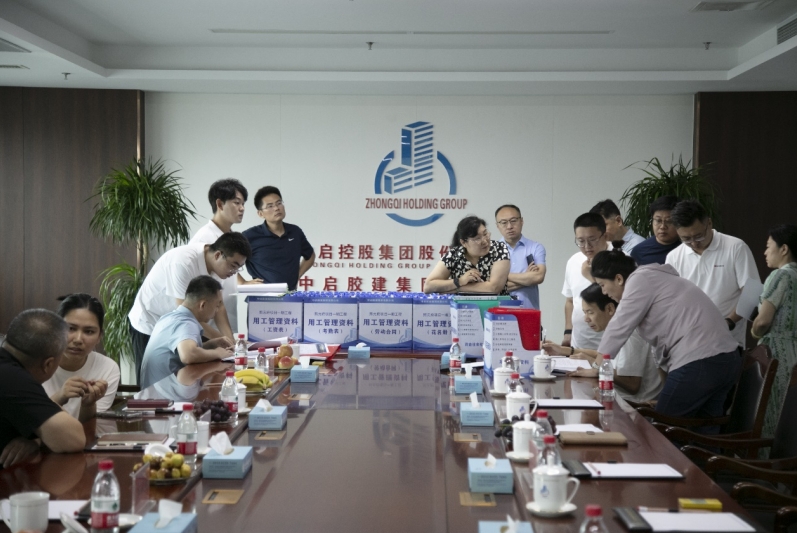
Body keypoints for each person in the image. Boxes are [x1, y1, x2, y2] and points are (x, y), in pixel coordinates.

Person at [592, 250, 740, 432]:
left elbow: (619, 325)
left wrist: (597, 367)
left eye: (602, 285)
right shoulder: (657, 279)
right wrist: (666, 392)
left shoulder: (639, 280)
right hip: (726, 359)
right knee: (703, 433)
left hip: (700, 360)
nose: (604, 292)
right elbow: (660, 346)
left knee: (662, 431)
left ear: (619, 279)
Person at [128, 232, 249, 384]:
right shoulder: (182, 263)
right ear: (218, 255)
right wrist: (219, 351)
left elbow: (219, 307)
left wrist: (230, 343)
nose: (234, 272)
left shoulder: (218, 268)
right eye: (233, 266)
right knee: (159, 379)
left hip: (169, 323)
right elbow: (187, 317)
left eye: (238, 268)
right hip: (148, 322)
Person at [542, 284, 663, 404]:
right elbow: (604, 355)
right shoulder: (614, 328)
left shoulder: (629, 335)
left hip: (631, 405)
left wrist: (596, 368)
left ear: (610, 309)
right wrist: (564, 350)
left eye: (590, 312)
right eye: (584, 312)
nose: (586, 319)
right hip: (614, 396)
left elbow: (632, 385)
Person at [1, 310, 90, 468]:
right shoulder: (14, 378)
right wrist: (41, 437)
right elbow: (74, 439)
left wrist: (35, 439)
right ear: (48, 364)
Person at [666, 200, 759, 347]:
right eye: (686, 239)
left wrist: (728, 322)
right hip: (689, 340)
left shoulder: (735, 247)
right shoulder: (674, 257)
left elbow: (752, 294)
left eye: (699, 236)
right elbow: (672, 299)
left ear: (709, 223)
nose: (694, 243)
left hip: (727, 339)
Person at [190, 179, 261, 330]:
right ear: (220, 204)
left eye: (243, 204)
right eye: (237, 203)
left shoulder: (228, 236)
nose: (242, 208)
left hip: (223, 319)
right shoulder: (205, 240)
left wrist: (242, 282)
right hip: (208, 325)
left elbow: (229, 265)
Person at [140, 276, 234, 389]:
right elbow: (188, 355)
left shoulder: (169, 317)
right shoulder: (186, 323)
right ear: (203, 305)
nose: (217, 310)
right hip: (162, 395)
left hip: (155, 389)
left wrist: (211, 344)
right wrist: (218, 353)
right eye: (217, 305)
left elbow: (179, 352)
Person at [752, 225, 797, 438]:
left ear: (784, 249)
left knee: (769, 413)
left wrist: (754, 331)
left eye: (769, 246)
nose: (765, 252)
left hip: (777, 355)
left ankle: (762, 457)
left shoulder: (780, 275)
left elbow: (763, 321)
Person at [43, 294, 120, 419]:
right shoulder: (34, 363)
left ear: (99, 336)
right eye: (70, 328)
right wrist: (60, 397)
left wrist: (88, 405)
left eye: (89, 331)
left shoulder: (108, 368)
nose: (78, 339)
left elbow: (92, 426)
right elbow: (27, 420)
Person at [243, 186, 315, 291]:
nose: (276, 208)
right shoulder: (249, 236)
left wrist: (297, 276)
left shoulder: (295, 232)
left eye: (279, 203)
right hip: (262, 297)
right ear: (260, 214)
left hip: (290, 295)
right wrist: (242, 282)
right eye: (270, 206)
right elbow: (227, 261)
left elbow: (310, 255)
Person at [561, 213, 612, 349]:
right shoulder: (574, 261)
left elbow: (620, 301)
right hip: (579, 344)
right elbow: (570, 300)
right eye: (581, 241)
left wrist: (591, 276)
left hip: (610, 344)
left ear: (605, 236)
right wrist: (568, 332)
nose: (587, 246)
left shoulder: (620, 260)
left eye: (592, 239)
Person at [423, 215, 509, 294]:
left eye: (485, 234)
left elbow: (494, 288)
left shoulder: (499, 249)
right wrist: (459, 281)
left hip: (496, 305)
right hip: (461, 305)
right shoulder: (454, 255)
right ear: (463, 242)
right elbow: (428, 286)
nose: (485, 241)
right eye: (477, 238)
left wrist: (457, 289)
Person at [494, 204, 546, 309]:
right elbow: (493, 287)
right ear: (497, 226)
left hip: (529, 312)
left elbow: (538, 277)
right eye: (504, 222)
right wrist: (527, 278)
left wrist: (503, 276)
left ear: (521, 221)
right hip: (499, 314)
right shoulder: (491, 251)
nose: (509, 226)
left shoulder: (535, 247)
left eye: (513, 221)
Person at [629, 195, 681, 266]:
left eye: (669, 221)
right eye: (658, 221)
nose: (662, 227)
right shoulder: (639, 251)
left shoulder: (688, 248)